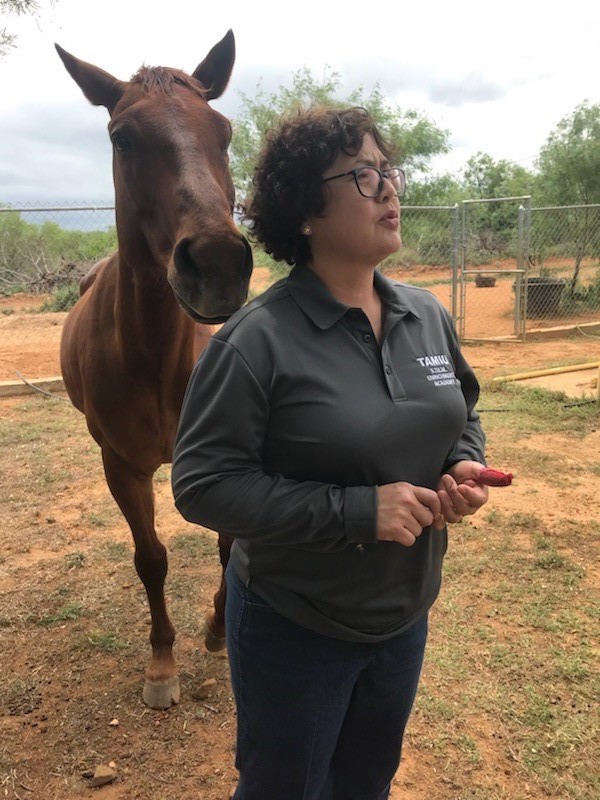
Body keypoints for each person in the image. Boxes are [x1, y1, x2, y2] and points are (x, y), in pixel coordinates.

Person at [172, 106, 489, 800]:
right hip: (296, 627)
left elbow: (463, 410)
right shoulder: (255, 341)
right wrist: (354, 512)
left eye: (389, 169)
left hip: (405, 614)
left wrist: (461, 461)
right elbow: (200, 484)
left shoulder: (425, 313)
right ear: (304, 210)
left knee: (365, 783)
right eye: (362, 173)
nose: (388, 188)